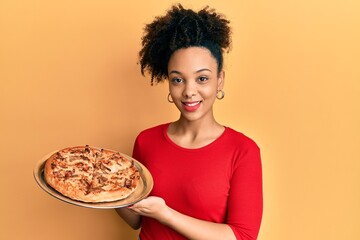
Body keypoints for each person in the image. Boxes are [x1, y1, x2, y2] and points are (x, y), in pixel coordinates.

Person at [116, 4, 263, 240]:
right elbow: (136, 220)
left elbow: (242, 236)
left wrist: (166, 214)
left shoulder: (243, 151)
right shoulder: (146, 141)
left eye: (202, 78)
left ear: (220, 80)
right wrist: (107, 190)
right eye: (178, 80)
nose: (189, 91)